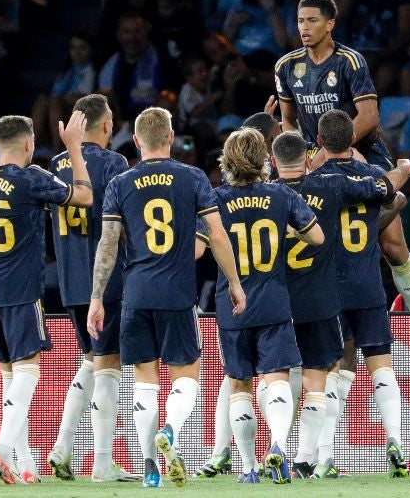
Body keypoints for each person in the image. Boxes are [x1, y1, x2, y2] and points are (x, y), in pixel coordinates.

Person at [276, 0, 410, 374]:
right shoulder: (286, 66)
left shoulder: (350, 61)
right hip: (313, 158)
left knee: (392, 244)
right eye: (300, 21)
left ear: (330, 24)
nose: (304, 28)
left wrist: (333, 151)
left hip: (363, 154)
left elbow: (368, 116)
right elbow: (288, 121)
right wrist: (307, 155)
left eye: (312, 21)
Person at [86, 106, 245, 488]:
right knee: (187, 374)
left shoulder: (120, 183)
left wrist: (96, 297)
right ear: (171, 138)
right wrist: (235, 282)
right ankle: (171, 429)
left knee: (144, 380)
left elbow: (107, 244)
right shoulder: (191, 178)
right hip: (177, 292)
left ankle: (148, 466)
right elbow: (218, 236)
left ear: (137, 141)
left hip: (135, 293)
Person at [274, 127, 410, 479]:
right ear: (352, 138)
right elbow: (389, 198)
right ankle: (396, 439)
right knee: (382, 365)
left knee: (329, 372)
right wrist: (403, 175)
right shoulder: (373, 176)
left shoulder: (316, 183)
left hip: (330, 288)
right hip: (368, 284)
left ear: (319, 142)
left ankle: (324, 456)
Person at [0, 112, 93, 485]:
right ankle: (2, 450)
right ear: (28, 144)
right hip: (21, 287)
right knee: (28, 372)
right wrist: (73, 148)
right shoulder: (32, 178)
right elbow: (84, 197)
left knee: (11, 377)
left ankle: (26, 465)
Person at [211, 128, 324, 484]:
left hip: (231, 304)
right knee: (276, 380)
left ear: (227, 161)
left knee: (240, 385)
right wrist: (284, 231)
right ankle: (277, 446)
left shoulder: (214, 199)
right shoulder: (281, 194)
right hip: (274, 300)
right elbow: (317, 237)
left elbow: (202, 247)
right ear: (264, 160)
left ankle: (247, 467)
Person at [44, 94, 138, 483]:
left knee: (90, 359)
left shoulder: (54, 164)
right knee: (108, 365)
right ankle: (102, 462)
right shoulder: (114, 163)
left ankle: (62, 447)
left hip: (69, 279)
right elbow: (122, 221)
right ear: (105, 125)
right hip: (106, 278)